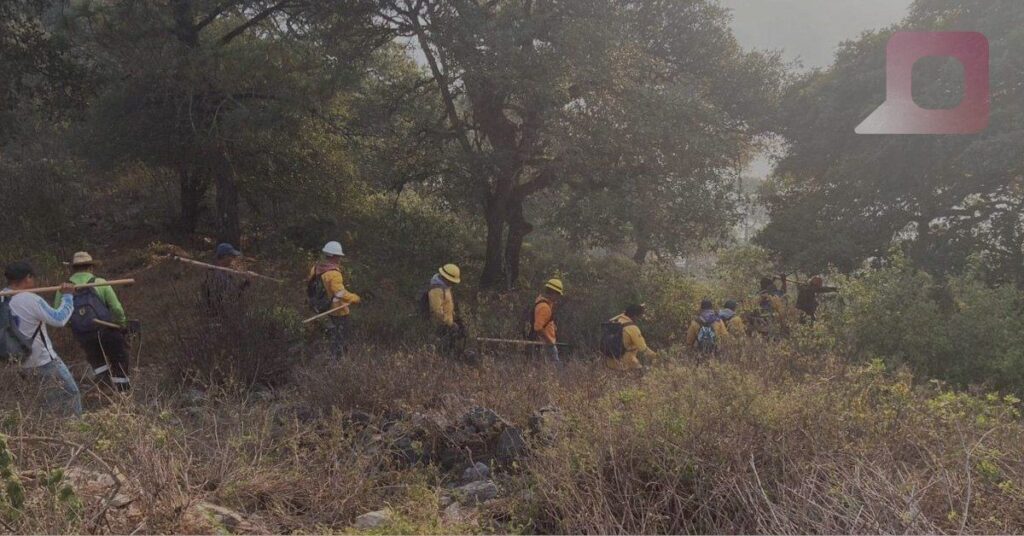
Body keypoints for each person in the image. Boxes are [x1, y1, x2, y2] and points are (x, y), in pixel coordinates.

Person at [2, 262, 82, 416]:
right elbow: (59, 319)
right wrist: (67, 296)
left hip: (17, 363)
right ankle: (75, 432)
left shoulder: (2, 298)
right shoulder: (30, 299)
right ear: (27, 278)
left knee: (43, 403)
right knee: (71, 396)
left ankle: (48, 433)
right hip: (44, 362)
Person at [53, 252, 131, 392]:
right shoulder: (101, 283)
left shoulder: (63, 289)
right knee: (119, 358)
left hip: (84, 334)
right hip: (107, 330)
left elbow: (58, 313)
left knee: (97, 360)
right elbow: (117, 308)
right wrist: (122, 324)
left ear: (74, 269)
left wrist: (74, 326)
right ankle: (123, 393)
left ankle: (105, 387)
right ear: (90, 267)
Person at [307, 241, 361, 358]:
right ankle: (337, 363)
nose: (340, 259)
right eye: (339, 256)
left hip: (320, 308)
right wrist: (355, 298)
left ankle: (325, 358)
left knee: (327, 337)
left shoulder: (315, 268)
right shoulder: (334, 274)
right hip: (338, 312)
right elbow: (340, 293)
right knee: (340, 341)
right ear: (335, 256)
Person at [603, 304, 657, 371]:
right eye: (639, 316)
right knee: (649, 372)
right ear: (635, 316)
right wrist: (657, 357)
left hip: (609, 363)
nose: (640, 319)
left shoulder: (615, 321)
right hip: (625, 364)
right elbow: (643, 350)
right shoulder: (632, 328)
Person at [201, 243, 250, 316]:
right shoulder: (216, 274)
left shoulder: (223, 272)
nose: (233, 259)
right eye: (232, 256)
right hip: (217, 316)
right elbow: (233, 295)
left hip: (222, 313)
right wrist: (246, 283)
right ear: (225, 256)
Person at [428, 264, 465, 357]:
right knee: (439, 351)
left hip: (447, 325)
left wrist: (455, 317)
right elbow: (436, 311)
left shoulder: (446, 288)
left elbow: (447, 305)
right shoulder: (436, 290)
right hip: (439, 326)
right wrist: (450, 323)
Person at [529, 278, 564, 364]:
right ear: (553, 293)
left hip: (543, 343)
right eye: (558, 294)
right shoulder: (544, 307)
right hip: (546, 344)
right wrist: (549, 341)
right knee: (554, 370)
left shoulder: (544, 303)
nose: (558, 297)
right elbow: (538, 328)